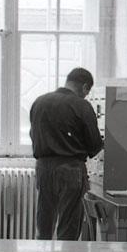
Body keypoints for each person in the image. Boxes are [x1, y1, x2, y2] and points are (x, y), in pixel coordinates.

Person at [29, 67, 103, 241]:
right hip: (71, 170)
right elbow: (94, 145)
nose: (86, 96)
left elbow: (33, 135)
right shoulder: (82, 106)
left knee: (44, 223)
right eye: (87, 92)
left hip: (44, 168)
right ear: (85, 87)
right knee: (68, 227)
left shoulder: (39, 102)